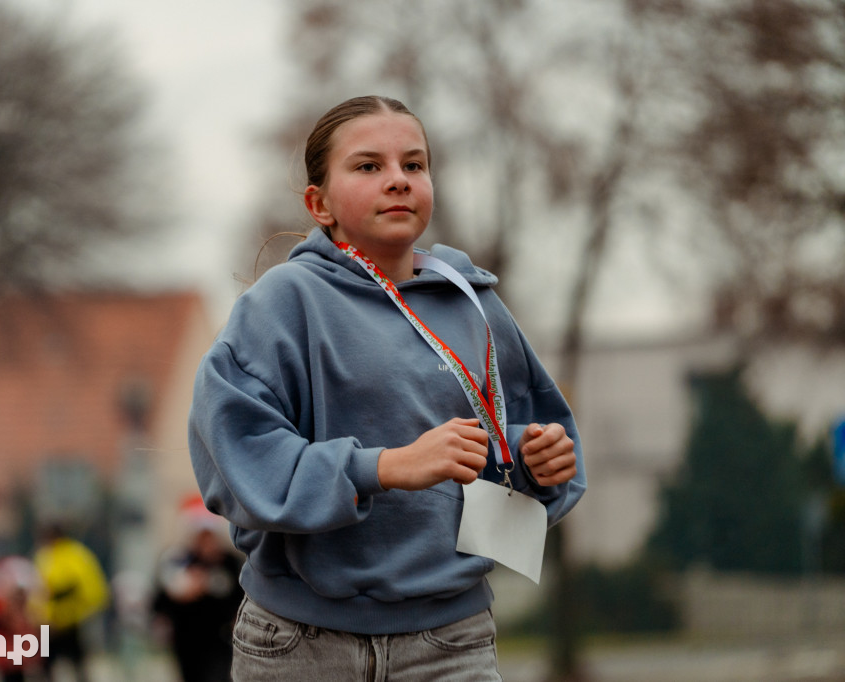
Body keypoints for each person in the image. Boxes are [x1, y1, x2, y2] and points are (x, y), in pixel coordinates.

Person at [188, 95, 587, 681]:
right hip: (300, 643)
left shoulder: (473, 300)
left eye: (414, 165)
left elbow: (510, 446)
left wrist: (533, 457)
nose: (398, 180)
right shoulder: (281, 304)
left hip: (452, 641)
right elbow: (238, 465)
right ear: (317, 203)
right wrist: (383, 467)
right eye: (369, 166)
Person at [151, 494, 244, 682]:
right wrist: (179, 593)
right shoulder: (177, 561)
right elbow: (159, 601)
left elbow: (240, 596)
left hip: (220, 639)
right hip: (187, 640)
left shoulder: (229, 562)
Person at [32, 523, 110, 682]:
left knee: (73, 663)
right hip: (51, 622)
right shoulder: (47, 555)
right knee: (49, 664)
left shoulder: (70, 555)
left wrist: (58, 607)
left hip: (69, 621)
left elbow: (77, 587)